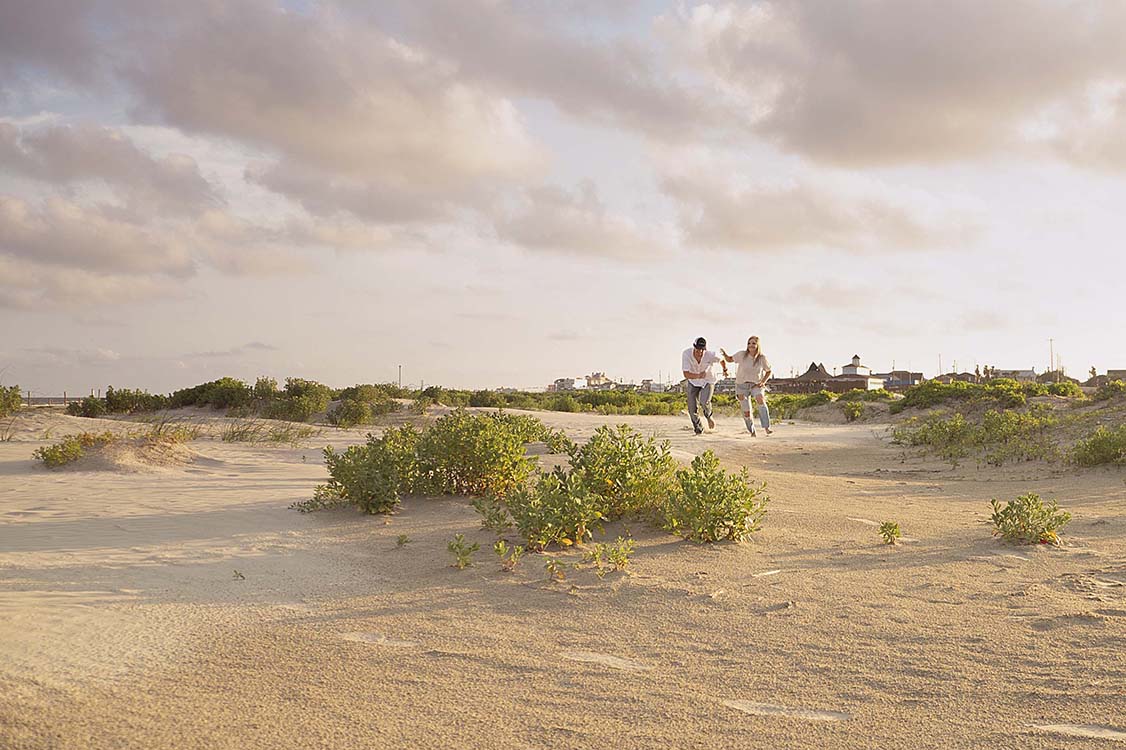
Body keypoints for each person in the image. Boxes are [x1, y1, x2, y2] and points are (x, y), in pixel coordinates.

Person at [721, 335, 773, 436]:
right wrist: (724, 354)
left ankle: (766, 427)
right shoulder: (742, 355)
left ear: (757, 345)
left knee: (760, 398)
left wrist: (763, 382)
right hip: (741, 386)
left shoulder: (762, 358)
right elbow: (729, 359)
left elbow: (768, 371)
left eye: (753, 343)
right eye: (749, 343)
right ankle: (752, 431)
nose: (751, 345)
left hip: (755, 385)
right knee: (746, 411)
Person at [681, 336, 721, 435]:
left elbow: (722, 360)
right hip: (693, 381)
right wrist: (698, 375)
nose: (700, 352)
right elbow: (686, 374)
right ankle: (699, 430)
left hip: (708, 381)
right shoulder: (686, 354)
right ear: (694, 347)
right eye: (698, 349)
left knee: (704, 402)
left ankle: (709, 416)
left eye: (702, 350)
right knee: (692, 408)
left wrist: (724, 369)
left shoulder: (710, 354)